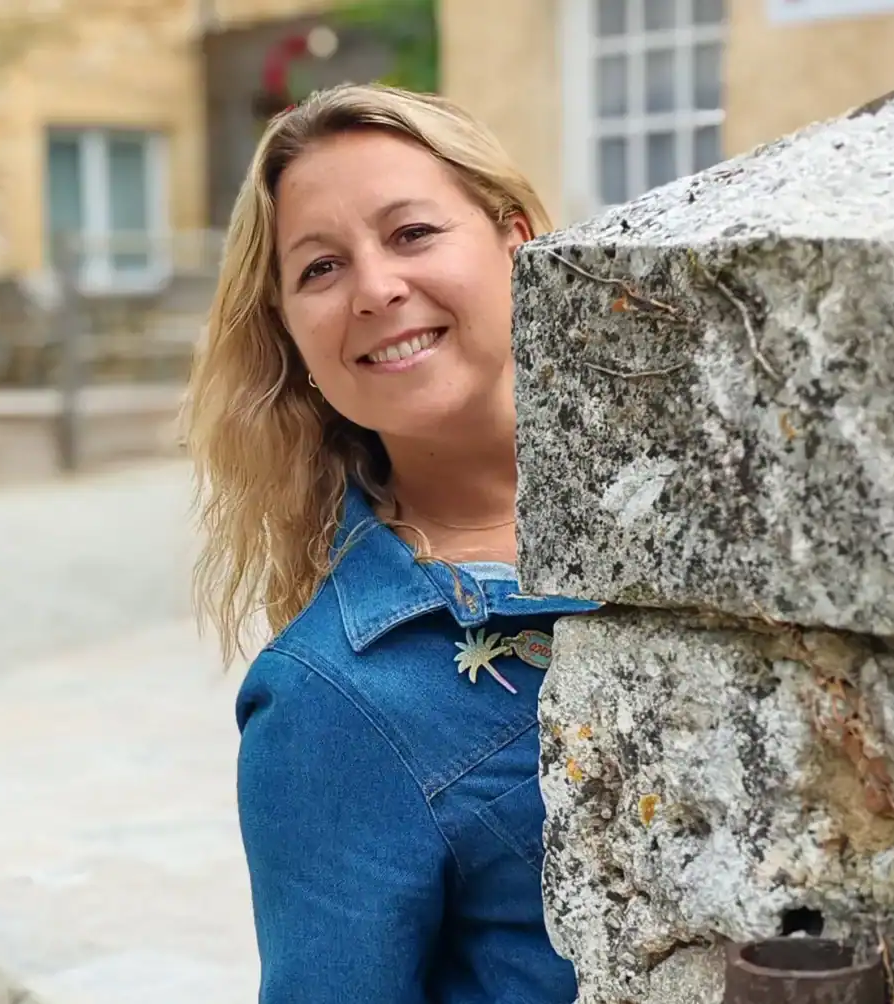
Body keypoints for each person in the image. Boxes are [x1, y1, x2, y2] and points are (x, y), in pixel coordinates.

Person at [186, 82, 598, 1004]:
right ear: (292, 336)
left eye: (412, 234)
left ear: (517, 238)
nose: (376, 289)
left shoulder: (697, 494)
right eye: (320, 269)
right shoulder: (329, 701)